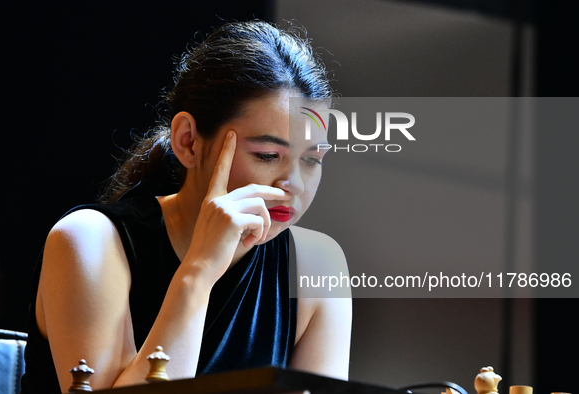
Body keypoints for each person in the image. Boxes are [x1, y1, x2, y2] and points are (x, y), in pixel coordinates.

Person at [21, 20, 351, 393]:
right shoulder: (88, 241)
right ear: (188, 141)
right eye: (267, 154)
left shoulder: (317, 265)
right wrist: (199, 271)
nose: (293, 185)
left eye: (312, 160)